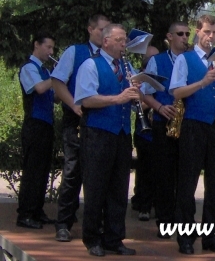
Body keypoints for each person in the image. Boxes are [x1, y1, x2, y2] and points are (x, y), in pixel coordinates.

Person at [170, 14, 215, 255]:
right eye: (206, 32)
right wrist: (203, 81)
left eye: (214, 32)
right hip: (194, 124)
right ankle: (185, 236)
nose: (210, 36)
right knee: (188, 182)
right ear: (197, 32)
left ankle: (211, 236)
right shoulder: (185, 59)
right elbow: (177, 92)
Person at [75, 23, 140, 256]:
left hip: (121, 133)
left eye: (125, 40)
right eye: (120, 40)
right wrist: (119, 98)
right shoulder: (91, 65)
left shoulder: (126, 66)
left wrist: (135, 96)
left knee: (119, 188)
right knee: (96, 187)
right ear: (106, 42)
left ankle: (114, 238)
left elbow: (129, 98)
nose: (124, 44)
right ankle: (92, 238)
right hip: (98, 132)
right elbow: (86, 100)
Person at [51, 14, 110, 242]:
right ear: (90, 29)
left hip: (102, 121)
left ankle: (97, 224)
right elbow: (58, 80)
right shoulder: (75, 51)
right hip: (76, 119)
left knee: (100, 174)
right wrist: (73, 104)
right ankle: (63, 223)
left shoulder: (111, 56)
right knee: (73, 171)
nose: (104, 35)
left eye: (108, 31)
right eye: (101, 30)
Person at [142, 23, 190, 238]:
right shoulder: (157, 60)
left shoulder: (193, 59)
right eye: (180, 34)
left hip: (188, 123)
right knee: (164, 174)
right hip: (164, 121)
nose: (185, 37)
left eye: (188, 34)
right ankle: (165, 221)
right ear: (169, 37)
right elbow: (145, 93)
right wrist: (160, 107)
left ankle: (182, 221)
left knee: (185, 174)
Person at [17, 32, 56, 230]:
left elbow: (53, 96)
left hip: (46, 124)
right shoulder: (28, 68)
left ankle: (37, 210)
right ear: (36, 45)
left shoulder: (45, 71)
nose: (51, 52)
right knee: (32, 170)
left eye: (52, 49)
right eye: (48, 47)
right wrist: (58, 75)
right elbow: (39, 89)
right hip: (34, 124)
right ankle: (24, 213)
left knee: (43, 170)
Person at [130, 45, 159, 222]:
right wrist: (152, 101)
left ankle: (158, 202)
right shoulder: (139, 80)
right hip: (145, 131)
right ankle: (143, 204)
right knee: (145, 169)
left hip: (161, 130)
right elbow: (137, 106)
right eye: (150, 61)